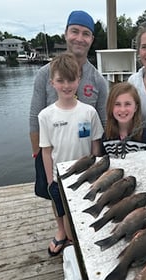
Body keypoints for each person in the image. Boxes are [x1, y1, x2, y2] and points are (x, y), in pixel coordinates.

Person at [38, 52, 104, 256]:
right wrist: (51, 181)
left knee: (85, 213)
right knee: (65, 214)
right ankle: (69, 240)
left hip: (85, 176)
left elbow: (95, 145)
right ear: (52, 82)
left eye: (71, 80)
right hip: (60, 179)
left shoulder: (89, 112)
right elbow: (46, 151)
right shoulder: (45, 115)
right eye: (60, 80)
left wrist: (95, 173)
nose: (66, 85)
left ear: (79, 80)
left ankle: (83, 243)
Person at [30, 10, 108, 157]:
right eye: (74, 31)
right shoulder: (45, 74)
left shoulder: (99, 80)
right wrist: (37, 154)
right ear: (65, 34)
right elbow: (35, 119)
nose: (79, 38)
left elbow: (103, 124)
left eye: (86, 34)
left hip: (85, 159)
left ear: (92, 39)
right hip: (51, 157)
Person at [102, 81, 146, 157]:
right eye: (117, 104)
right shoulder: (106, 136)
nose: (122, 109)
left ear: (136, 107)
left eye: (127, 104)